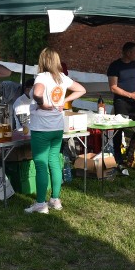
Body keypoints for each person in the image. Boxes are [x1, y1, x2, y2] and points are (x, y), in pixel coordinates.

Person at [26, 48, 85, 214]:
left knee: (41, 164)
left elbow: (37, 93)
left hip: (41, 128)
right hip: (57, 127)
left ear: (43, 61)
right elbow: (82, 90)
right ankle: (55, 199)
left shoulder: (42, 77)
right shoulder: (62, 78)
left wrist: (41, 103)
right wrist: (64, 100)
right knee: (53, 161)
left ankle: (40, 204)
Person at [107, 42, 135, 168]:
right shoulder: (115, 66)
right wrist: (131, 95)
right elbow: (113, 87)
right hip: (122, 101)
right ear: (128, 52)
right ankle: (118, 158)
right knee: (120, 128)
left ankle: (132, 149)